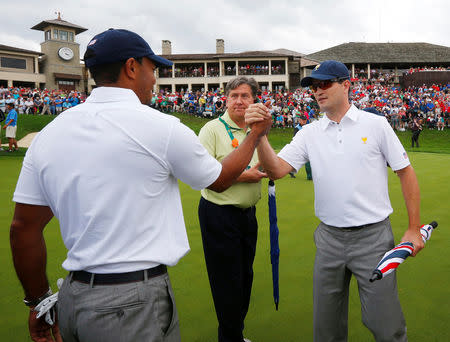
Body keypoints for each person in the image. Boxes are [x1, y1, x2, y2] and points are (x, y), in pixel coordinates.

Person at [9, 28, 271, 342]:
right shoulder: (161, 127)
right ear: (132, 67)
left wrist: (38, 302)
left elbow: (23, 227)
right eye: (152, 68)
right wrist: (255, 135)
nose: (155, 78)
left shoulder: (51, 133)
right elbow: (220, 179)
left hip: (72, 298)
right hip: (132, 302)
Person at [245, 60, 423, 342]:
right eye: (314, 86)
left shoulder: (376, 124)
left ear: (346, 85)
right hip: (329, 239)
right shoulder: (308, 133)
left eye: (325, 84)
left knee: (386, 326)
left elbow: (405, 171)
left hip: (374, 239)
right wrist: (259, 135)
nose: (318, 90)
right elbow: (276, 170)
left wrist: (414, 228)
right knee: (326, 330)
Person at [198, 76, 268, 342]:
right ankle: (229, 338)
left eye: (245, 96)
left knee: (244, 278)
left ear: (254, 100)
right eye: (234, 96)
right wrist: (244, 175)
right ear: (226, 99)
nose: (239, 101)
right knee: (226, 282)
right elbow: (206, 174)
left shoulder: (257, 129)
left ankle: (234, 334)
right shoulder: (212, 129)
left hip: (247, 215)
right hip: (218, 215)